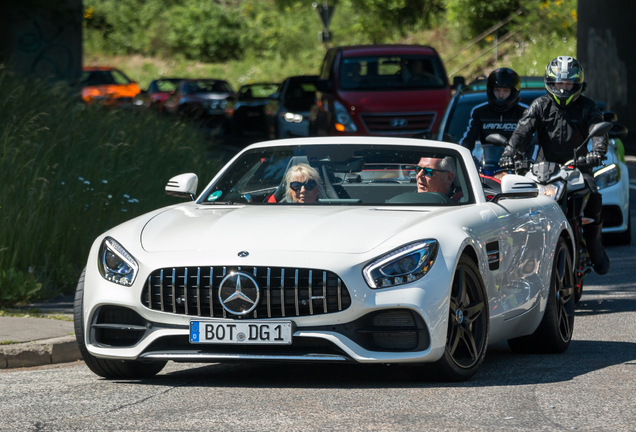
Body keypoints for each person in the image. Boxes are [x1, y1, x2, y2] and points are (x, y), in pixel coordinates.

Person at [499, 55, 610, 275]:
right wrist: (509, 153)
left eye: (569, 83)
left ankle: (595, 245)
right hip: (543, 170)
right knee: (519, 202)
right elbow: (522, 131)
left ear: (578, 84)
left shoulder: (588, 107)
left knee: (594, 195)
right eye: (560, 83)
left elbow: (598, 131)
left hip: (578, 166)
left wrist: (597, 152)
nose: (564, 88)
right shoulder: (539, 106)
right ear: (551, 83)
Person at [459, 68, 530, 172]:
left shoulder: (524, 113)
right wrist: (459, 156)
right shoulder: (480, 112)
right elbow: (468, 141)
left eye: (505, 91)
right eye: (497, 90)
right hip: (485, 169)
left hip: (518, 170)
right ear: (491, 90)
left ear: (513, 92)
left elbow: (533, 141)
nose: (501, 95)